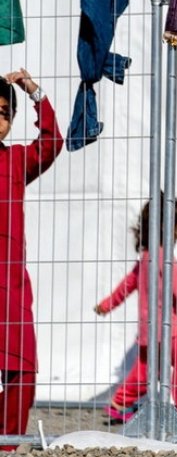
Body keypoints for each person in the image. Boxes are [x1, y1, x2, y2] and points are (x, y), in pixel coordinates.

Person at [95, 196, 177, 426]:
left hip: (148, 329)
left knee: (145, 370)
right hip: (169, 327)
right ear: (164, 226)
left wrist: (106, 304)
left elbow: (127, 285)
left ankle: (119, 404)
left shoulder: (146, 256)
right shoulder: (164, 257)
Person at [0, 69, 64, 450]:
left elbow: (52, 140)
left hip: (10, 288)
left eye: (5, 112)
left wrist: (34, 92)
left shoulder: (18, 161)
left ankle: (5, 443)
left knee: (22, 370)